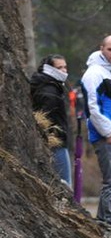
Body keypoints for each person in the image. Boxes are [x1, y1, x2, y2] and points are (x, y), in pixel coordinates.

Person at [81, 35, 111, 232]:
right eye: (110, 49)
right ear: (102, 48)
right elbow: (92, 108)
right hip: (105, 135)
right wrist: (108, 133)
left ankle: (103, 220)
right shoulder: (94, 74)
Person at [30, 54, 72, 188]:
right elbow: (46, 119)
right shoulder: (50, 90)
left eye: (65, 67)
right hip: (55, 143)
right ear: (50, 69)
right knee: (64, 184)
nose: (64, 71)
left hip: (56, 141)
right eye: (60, 67)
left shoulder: (53, 86)